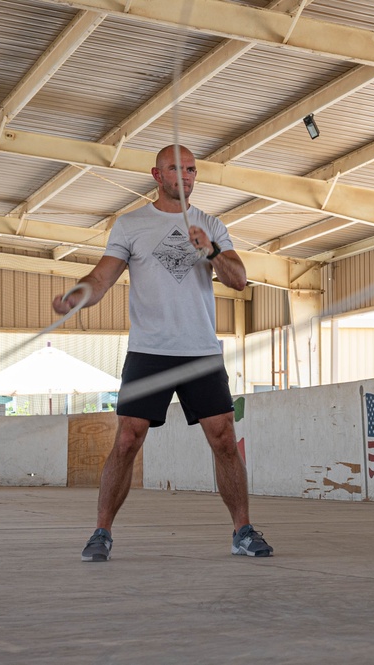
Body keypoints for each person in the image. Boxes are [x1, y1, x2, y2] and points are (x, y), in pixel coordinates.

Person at [53, 145, 274, 562]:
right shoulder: (131, 224)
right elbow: (102, 277)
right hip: (149, 351)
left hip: (200, 351)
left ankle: (242, 531)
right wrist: (76, 296)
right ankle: (101, 532)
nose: (185, 176)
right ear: (157, 174)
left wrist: (210, 249)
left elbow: (240, 280)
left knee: (224, 438)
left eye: (191, 169)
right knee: (128, 440)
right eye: (176, 169)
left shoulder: (210, 224)